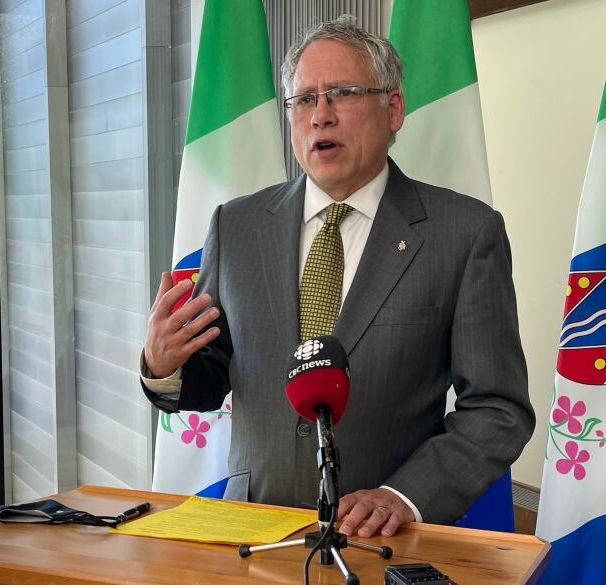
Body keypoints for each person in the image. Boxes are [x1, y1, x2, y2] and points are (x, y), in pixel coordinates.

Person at [140, 15, 534, 538]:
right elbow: (209, 377)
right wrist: (163, 365)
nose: (320, 116)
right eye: (304, 100)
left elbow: (497, 408)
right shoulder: (234, 226)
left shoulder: (463, 233)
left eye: (342, 94)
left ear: (393, 109)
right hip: (254, 537)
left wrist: (405, 495)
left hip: (385, 542)